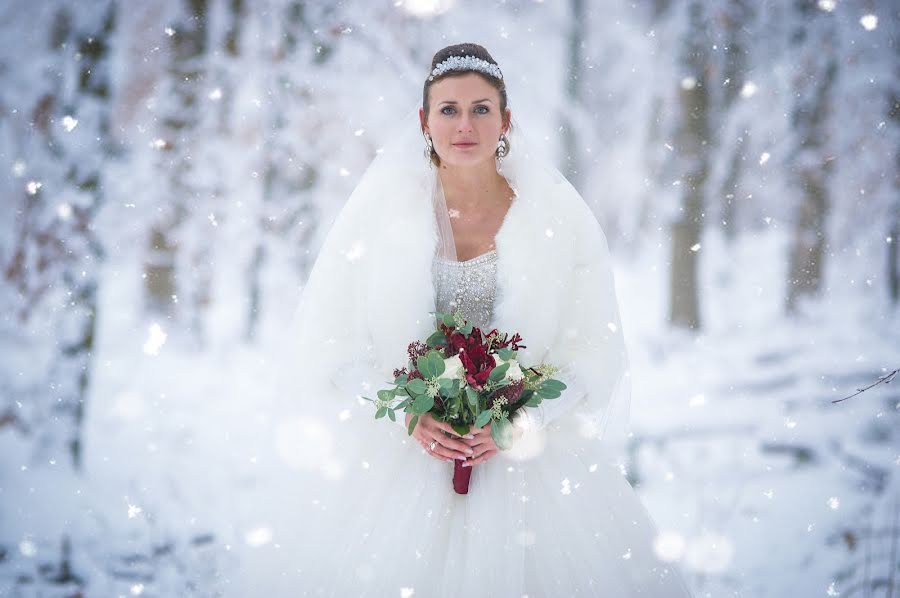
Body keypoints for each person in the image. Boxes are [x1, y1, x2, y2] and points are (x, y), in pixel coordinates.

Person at [238, 43, 694, 597]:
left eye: (481, 108)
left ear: (506, 119)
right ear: (423, 121)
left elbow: (594, 353)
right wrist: (405, 413)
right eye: (448, 109)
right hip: (397, 464)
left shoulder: (555, 216)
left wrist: (520, 422)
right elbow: (331, 349)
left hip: (533, 465)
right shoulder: (384, 214)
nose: (464, 125)